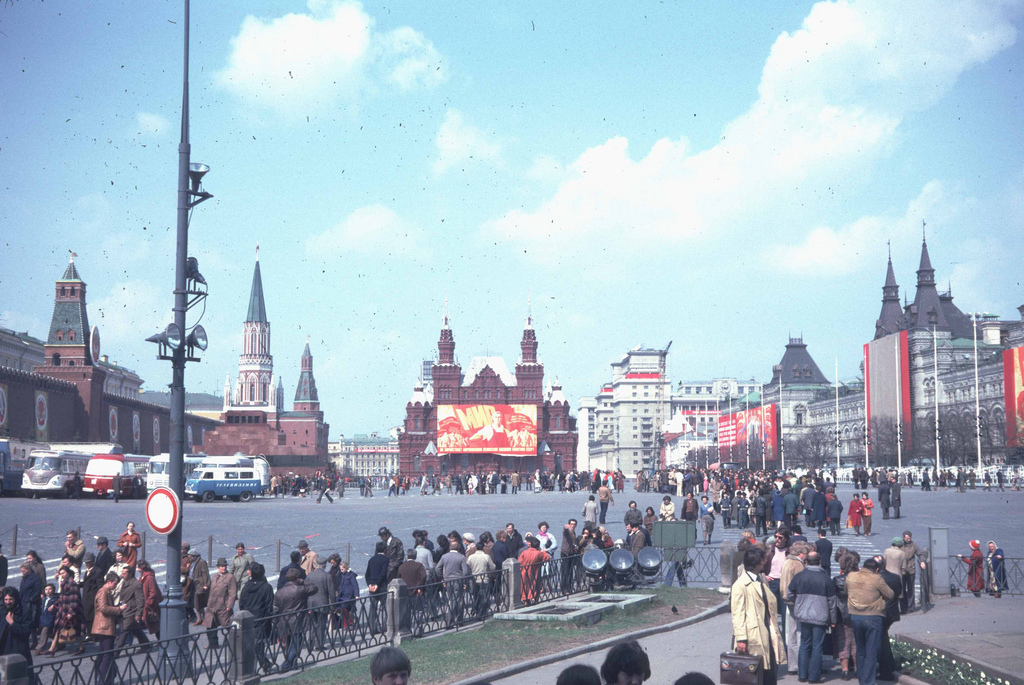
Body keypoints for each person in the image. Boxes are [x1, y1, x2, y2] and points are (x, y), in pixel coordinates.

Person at [731, 546, 786, 685]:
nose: (765, 563)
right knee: (754, 675)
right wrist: (741, 638)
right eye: (763, 560)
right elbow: (738, 613)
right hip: (752, 636)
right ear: (757, 563)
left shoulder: (759, 580)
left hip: (767, 632)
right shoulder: (741, 585)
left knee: (769, 672)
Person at [786, 551, 837, 684]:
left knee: (804, 644)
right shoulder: (826, 578)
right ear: (820, 562)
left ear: (806, 562)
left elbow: (789, 595)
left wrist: (799, 602)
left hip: (803, 615)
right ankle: (814, 676)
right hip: (821, 616)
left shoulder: (799, 576)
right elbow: (832, 603)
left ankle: (802, 675)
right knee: (817, 646)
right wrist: (833, 619)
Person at [846, 557, 894, 685]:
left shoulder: (851, 576)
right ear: (876, 569)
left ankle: (862, 679)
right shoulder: (877, 578)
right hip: (873, 617)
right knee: (871, 652)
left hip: (855, 616)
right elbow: (890, 594)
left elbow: (847, 590)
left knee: (860, 650)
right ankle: (868, 682)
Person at [273, 568, 317, 671]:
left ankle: (293, 664)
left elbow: (275, 609)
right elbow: (314, 588)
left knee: (289, 643)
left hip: (284, 621)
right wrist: (303, 581)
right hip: (297, 620)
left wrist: (275, 622)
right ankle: (287, 664)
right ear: (297, 579)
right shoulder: (300, 589)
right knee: (297, 643)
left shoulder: (279, 592)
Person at [239, 563, 274, 671]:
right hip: (261, 619)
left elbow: (241, 603)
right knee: (259, 644)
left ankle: (253, 667)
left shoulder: (246, 586)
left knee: (251, 644)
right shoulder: (266, 587)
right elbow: (269, 605)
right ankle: (263, 664)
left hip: (248, 619)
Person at [872, 555, 902, 682]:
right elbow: (899, 593)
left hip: (880, 612)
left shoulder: (876, 579)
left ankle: (886, 669)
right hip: (892, 613)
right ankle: (888, 666)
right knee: (883, 639)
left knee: (882, 642)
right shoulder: (895, 577)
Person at [780, 542, 809, 674]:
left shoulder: (786, 562)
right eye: (805, 554)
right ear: (800, 553)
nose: (806, 556)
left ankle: (792, 665)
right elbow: (801, 584)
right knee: (799, 633)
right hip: (796, 601)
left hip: (786, 599)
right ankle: (800, 664)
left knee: (791, 632)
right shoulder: (797, 564)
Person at [834, 551, 860, 681]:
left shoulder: (837, 580)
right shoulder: (860, 579)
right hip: (858, 613)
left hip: (842, 613)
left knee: (843, 641)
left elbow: (833, 600)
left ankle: (844, 670)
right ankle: (856, 668)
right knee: (856, 642)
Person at [114, 564, 150, 651]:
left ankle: (115, 651)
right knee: (136, 630)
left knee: (124, 631)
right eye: (122, 573)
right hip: (125, 610)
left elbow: (140, 600)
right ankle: (146, 645)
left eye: (124, 573)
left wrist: (138, 614)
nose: (122, 575)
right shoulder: (123, 582)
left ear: (130, 574)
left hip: (131, 612)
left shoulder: (136, 584)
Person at [365, 542, 390, 633]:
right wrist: (377, 584)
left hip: (372, 587)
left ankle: (372, 628)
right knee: (384, 607)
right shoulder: (385, 559)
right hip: (381, 586)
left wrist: (370, 584)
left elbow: (367, 574)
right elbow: (383, 573)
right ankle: (384, 626)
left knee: (373, 607)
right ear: (385, 550)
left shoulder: (371, 559)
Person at [900, 531, 927, 612]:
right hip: (902, 570)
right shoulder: (900, 545)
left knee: (911, 589)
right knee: (902, 589)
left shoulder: (914, 545)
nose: (908, 539)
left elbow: (921, 554)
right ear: (903, 537)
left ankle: (911, 607)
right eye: (907, 538)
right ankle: (903, 607)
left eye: (909, 538)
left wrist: (922, 561)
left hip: (911, 569)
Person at [518, 537, 549, 606]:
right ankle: (533, 598)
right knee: (533, 585)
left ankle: (525, 599)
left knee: (524, 585)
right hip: (535, 571)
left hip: (524, 571)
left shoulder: (524, 552)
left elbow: (519, 562)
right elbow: (547, 558)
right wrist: (542, 551)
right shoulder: (539, 553)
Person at [137, 560, 162, 641]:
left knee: (155, 623)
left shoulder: (149, 578)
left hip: (151, 605)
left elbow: (153, 592)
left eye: (138, 567)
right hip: (147, 604)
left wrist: (148, 604)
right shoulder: (143, 577)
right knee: (153, 623)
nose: (137, 569)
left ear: (142, 568)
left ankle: (161, 640)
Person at [188, 550, 210, 625]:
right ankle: (199, 618)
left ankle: (203, 618)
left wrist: (206, 584)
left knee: (199, 603)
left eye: (191, 556)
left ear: (194, 556)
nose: (189, 557)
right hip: (194, 584)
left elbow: (205, 573)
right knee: (196, 604)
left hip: (200, 585)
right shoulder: (193, 562)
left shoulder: (201, 562)